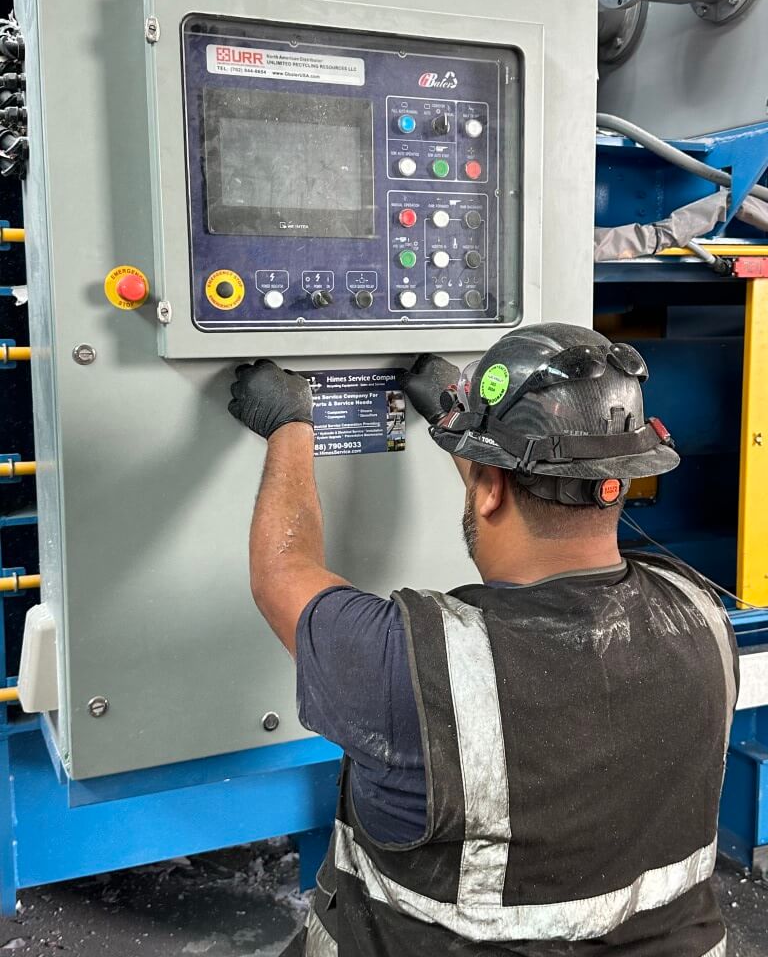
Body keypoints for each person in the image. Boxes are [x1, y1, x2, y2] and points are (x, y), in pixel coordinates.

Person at [227, 323, 738, 957]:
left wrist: (289, 428)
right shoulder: (700, 612)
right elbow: (528, 516)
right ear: (621, 477)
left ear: (490, 489)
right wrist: (458, 423)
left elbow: (283, 571)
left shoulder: (411, 665)